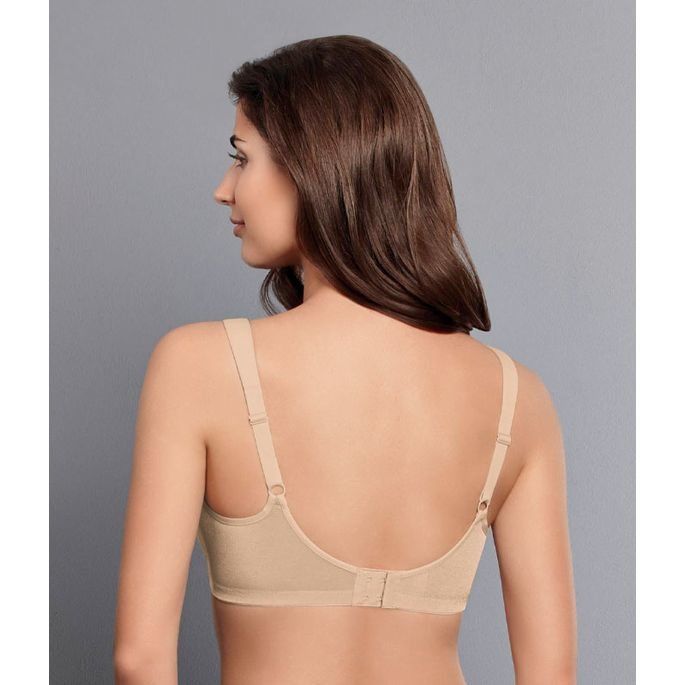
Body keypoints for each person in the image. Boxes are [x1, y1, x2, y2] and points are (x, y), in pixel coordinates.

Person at [113, 35, 577, 685]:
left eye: (241, 158)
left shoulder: (199, 366)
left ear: (312, 165)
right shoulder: (517, 399)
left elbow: (139, 658)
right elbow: (552, 673)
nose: (224, 189)